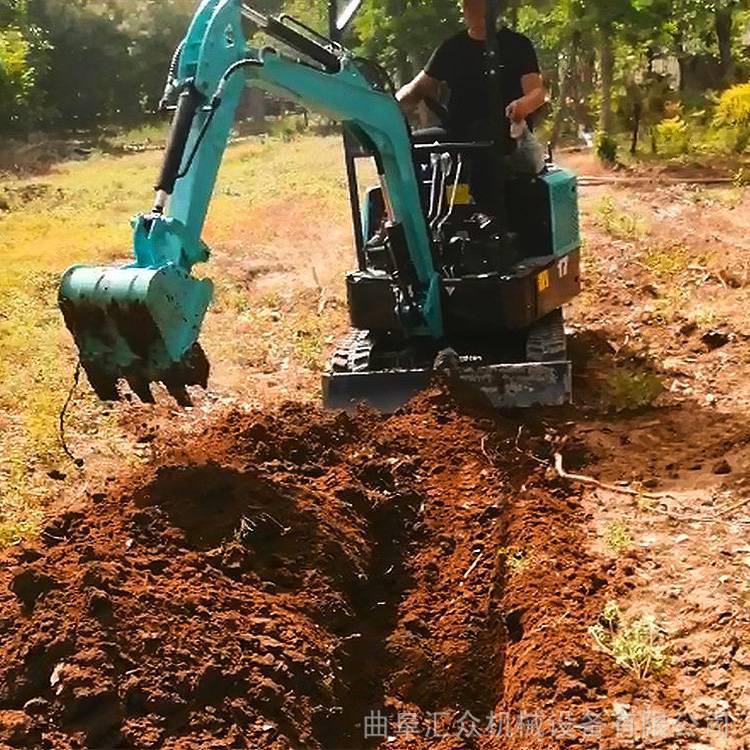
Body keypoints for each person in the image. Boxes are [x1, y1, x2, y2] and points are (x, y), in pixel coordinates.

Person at [397, 0, 546, 184]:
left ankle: (489, 209)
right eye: (470, 4)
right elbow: (417, 88)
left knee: (480, 135)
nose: (475, 9)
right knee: (404, 145)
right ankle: (419, 208)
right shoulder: (451, 48)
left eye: (480, 4)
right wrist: (388, 106)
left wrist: (522, 105)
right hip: (457, 132)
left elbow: (537, 93)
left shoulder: (517, 45)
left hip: (504, 132)